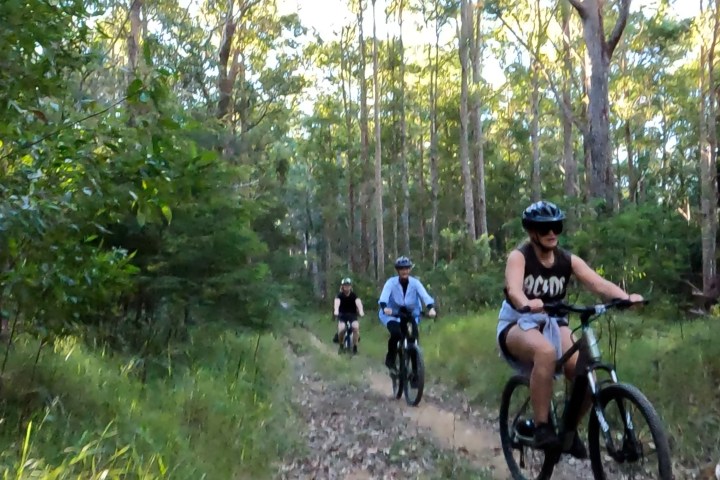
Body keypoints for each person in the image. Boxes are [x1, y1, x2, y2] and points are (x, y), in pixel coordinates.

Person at [497, 200, 644, 458]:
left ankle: (568, 432)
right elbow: (514, 289)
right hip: (517, 322)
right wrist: (526, 303)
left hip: (554, 321)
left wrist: (625, 297)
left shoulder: (567, 260)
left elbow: (597, 283)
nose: (552, 233)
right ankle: (543, 427)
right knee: (545, 352)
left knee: (585, 375)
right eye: (544, 229)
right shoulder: (519, 257)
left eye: (556, 226)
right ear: (532, 232)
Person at [378, 256, 436, 371]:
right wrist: (384, 307)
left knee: (413, 338)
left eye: (406, 268)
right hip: (392, 314)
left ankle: (416, 372)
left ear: (409, 270)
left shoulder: (415, 283)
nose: (404, 271)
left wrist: (430, 308)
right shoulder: (391, 283)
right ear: (398, 270)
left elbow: (424, 295)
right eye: (401, 269)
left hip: (410, 313)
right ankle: (391, 359)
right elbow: (384, 296)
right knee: (396, 333)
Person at [333, 277, 365, 353]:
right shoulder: (339, 296)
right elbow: (336, 303)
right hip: (342, 316)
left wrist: (361, 311)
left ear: (350, 286)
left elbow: (358, 303)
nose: (346, 287)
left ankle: (355, 347)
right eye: (345, 285)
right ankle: (341, 345)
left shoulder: (354, 295)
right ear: (342, 287)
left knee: (355, 327)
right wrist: (336, 310)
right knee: (341, 329)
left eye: (348, 285)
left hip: (352, 316)